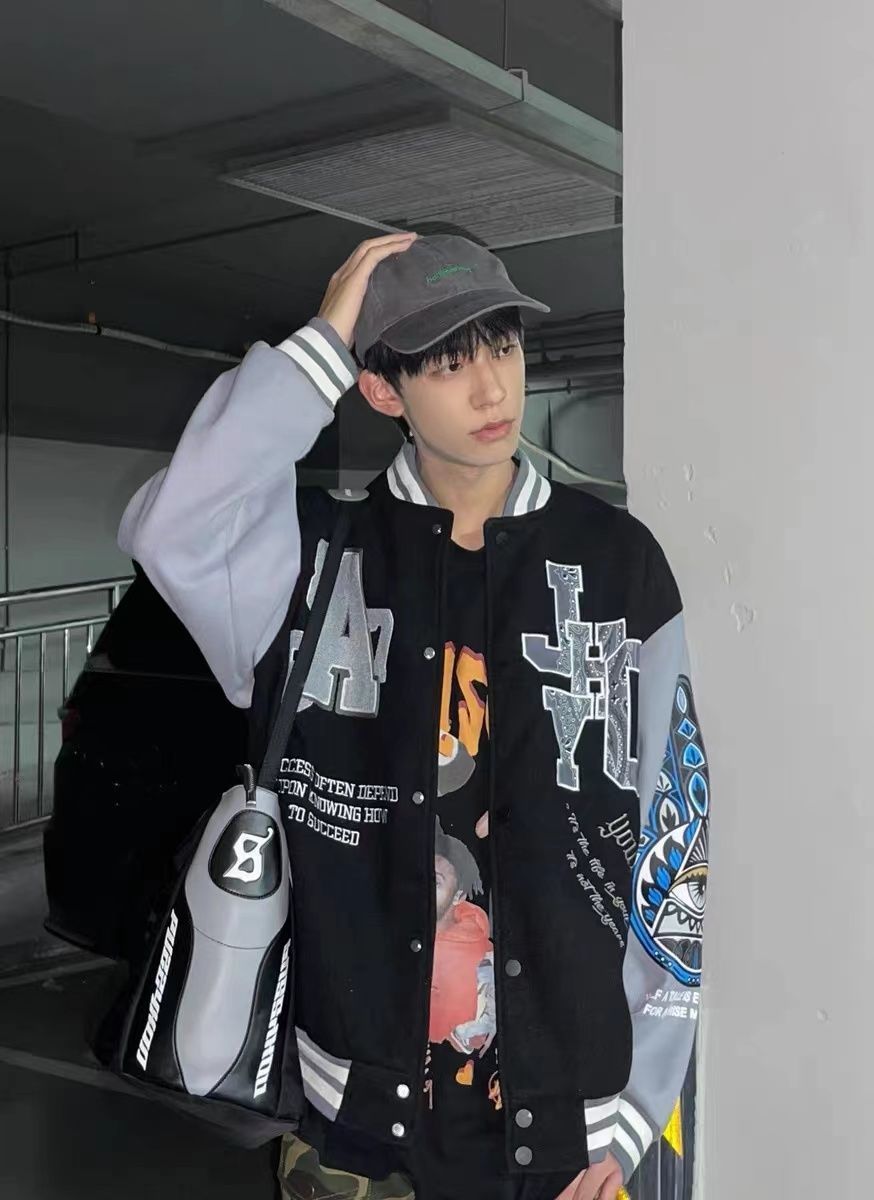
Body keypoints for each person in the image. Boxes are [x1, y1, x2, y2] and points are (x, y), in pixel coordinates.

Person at [118, 232, 710, 1200]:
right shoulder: (311, 559)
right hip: (353, 1128)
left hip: (573, 1135)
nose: (491, 388)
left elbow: (676, 838)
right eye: (446, 363)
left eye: (502, 346)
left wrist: (639, 1107)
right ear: (382, 391)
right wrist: (320, 344)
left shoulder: (618, 563)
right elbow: (174, 526)